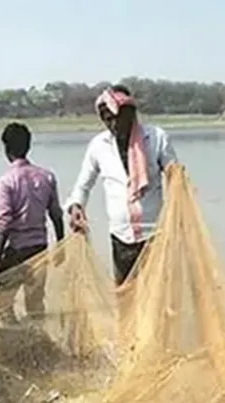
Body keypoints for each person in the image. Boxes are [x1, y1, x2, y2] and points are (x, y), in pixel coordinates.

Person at [65, 85, 178, 286]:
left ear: (131, 114)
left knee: (157, 294)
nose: (114, 124)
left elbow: (174, 176)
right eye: (108, 119)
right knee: (126, 295)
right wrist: (76, 207)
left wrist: (178, 181)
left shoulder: (156, 138)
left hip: (155, 235)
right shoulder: (99, 146)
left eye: (119, 117)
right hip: (121, 237)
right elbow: (83, 185)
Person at [0, 122, 65, 324]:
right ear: (28, 146)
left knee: (3, 302)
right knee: (35, 303)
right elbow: (56, 215)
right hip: (39, 250)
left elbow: (4, 223)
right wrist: (61, 246)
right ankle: (36, 340)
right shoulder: (47, 176)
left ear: (6, 149)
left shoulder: (7, 181)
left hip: (15, 251)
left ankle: (16, 339)